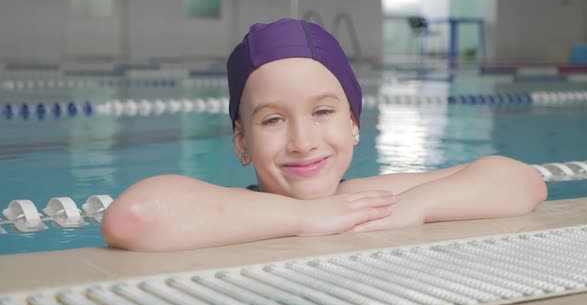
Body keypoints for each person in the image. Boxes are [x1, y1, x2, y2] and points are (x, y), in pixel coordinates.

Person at [101, 18, 547, 252]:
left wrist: (418, 206)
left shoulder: (369, 200)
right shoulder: (234, 210)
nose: (302, 141)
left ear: (353, 123)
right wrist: (305, 218)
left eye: (322, 112)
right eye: (272, 120)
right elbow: (131, 218)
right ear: (241, 141)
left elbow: (523, 180)